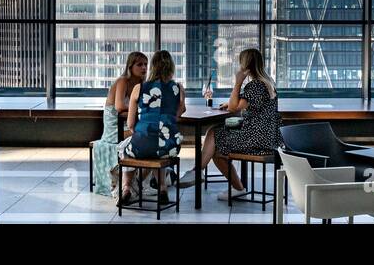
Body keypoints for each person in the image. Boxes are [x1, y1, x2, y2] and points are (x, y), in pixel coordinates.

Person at [181, 47, 281, 199]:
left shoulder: (255, 85)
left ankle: (200, 173)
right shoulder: (268, 83)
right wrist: (231, 104)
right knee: (215, 135)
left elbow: (234, 107)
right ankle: (203, 174)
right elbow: (240, 104)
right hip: (268, 136)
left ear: (246, 66)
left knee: (216, 139)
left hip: (255, 138)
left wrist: (238, 82)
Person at [124, 49, 186, 204]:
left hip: (142, 143)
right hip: (169, 146)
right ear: (171, 67)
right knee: (159, 149)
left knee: (127, 149)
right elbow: (178, 114)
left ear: (152, 67)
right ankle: (163, 189)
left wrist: (141, 133)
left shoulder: (139, 88)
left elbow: (131, 123)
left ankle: (126, 188)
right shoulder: (178, 88)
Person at [92, 51, 145, 199]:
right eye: (139, 64)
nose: (144, 68)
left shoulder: (141, 84)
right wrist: (140, 108)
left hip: (128, 122)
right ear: (130, 66)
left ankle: (141, 180)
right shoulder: (123, 81)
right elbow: (120, 106)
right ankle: (130, 182)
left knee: (148, 135)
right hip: (114, 126)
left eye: (146, 64)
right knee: (140, 137)